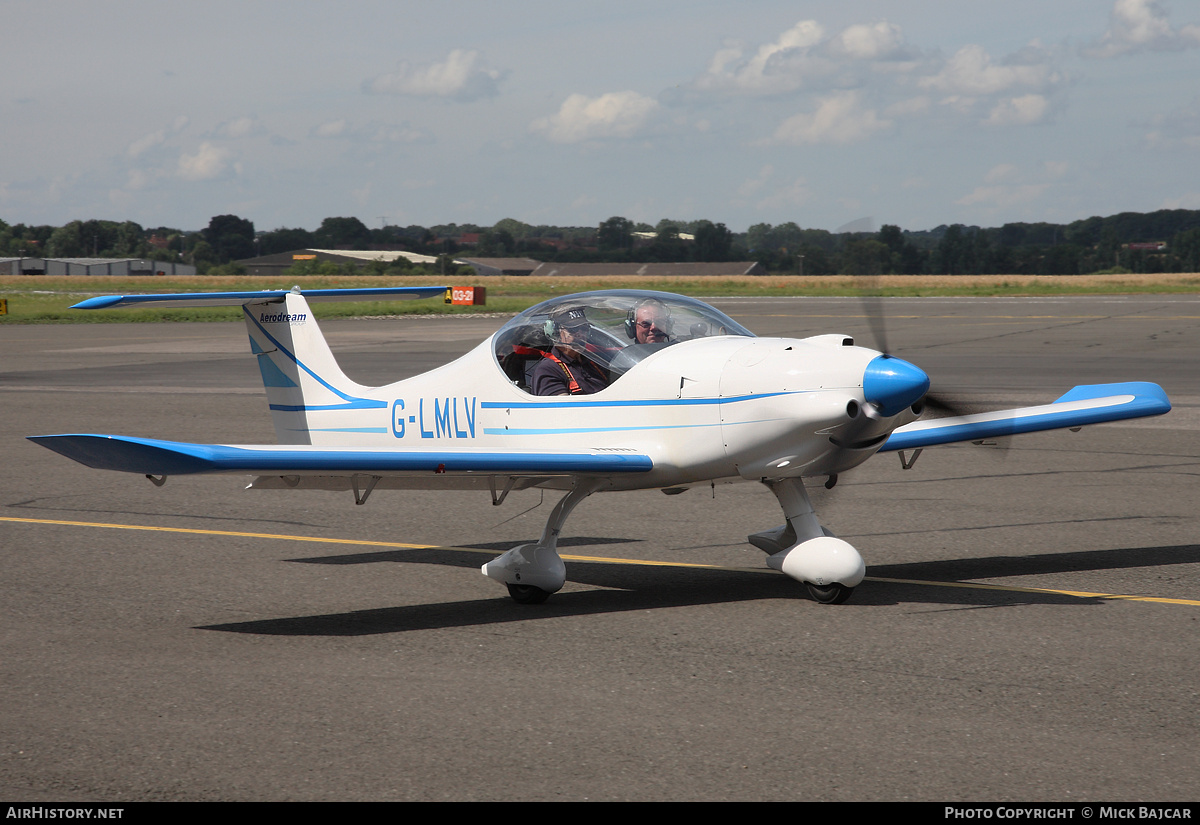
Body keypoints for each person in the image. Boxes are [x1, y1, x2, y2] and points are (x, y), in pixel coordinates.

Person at [530, 307, 609, 396]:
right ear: (555, 332)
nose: (580, 334)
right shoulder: (548, 369)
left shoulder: (595, 362)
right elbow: (561, 408)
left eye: (584, 328)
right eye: (573, 329)